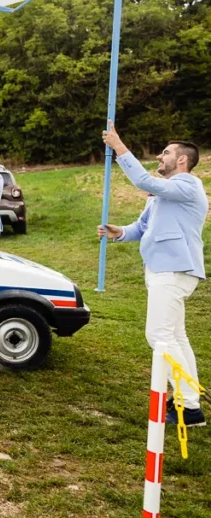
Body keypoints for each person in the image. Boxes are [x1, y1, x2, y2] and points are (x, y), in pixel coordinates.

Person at [99, 123, 207, 428]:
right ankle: (190, 403)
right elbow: (142, 227)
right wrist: (119, 232)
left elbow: (143, 180)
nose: (160, 157)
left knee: (158, 336)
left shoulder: (188, 185)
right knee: (175, 337)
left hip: (174, 270)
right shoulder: (162, 196)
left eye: (166, 153)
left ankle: (188, 405)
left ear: (183, 161)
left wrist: (119, 146)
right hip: (162, 270)